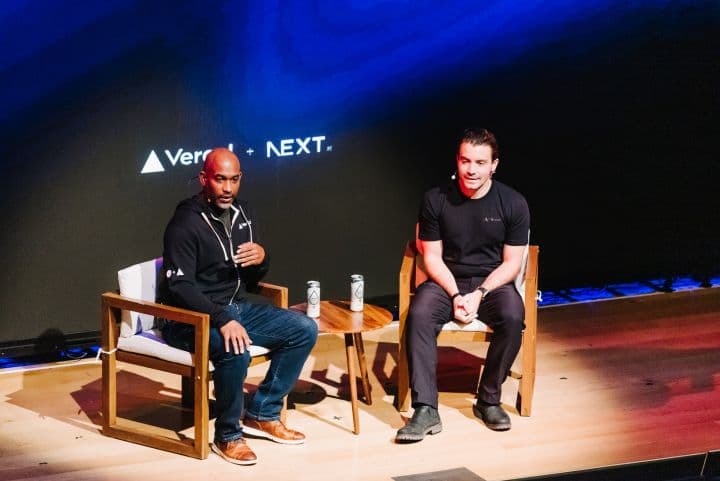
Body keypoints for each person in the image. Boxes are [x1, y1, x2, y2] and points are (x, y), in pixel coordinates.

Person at [160, 147, 318, 465]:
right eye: (220, 180)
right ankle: (228, 435)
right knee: (236, 348)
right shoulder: (185, 222)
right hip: (188, 318)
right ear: (204, 178)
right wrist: (220, 319)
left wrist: (262, 258)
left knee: (304, 328)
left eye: (234, 180)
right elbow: (179, 286)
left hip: (233, 308)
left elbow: (251, 276)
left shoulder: (242, 213)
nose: (228, 189)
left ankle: (262, 412)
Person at [396, 128, 530, 442]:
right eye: (465, 161)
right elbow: (432, 257)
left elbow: (512, 263)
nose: (471, 169)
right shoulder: (435, 199)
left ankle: (489, 399)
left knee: (513, 317)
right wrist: (456, 294)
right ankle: (426, 408)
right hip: (446, 280)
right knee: (419, 315)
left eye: (480, 162)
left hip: (491, 283)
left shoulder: (513, 203)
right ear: (457, 161)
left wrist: (479, 293)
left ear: (494, 165)